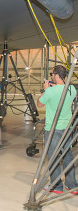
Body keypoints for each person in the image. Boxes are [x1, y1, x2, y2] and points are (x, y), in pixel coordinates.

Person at [37, 65, 78, 194]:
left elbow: (39, 104)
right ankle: (72, 185)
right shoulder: (71, 89)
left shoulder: (50, 92)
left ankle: (56, 186)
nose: (51, 76)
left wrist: (45, 89)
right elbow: (62, 92)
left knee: (53, 157)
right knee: (67, 156)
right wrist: (54, 88)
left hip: (53, 130)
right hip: (66, 129)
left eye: (52, 74)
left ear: (56, 75)